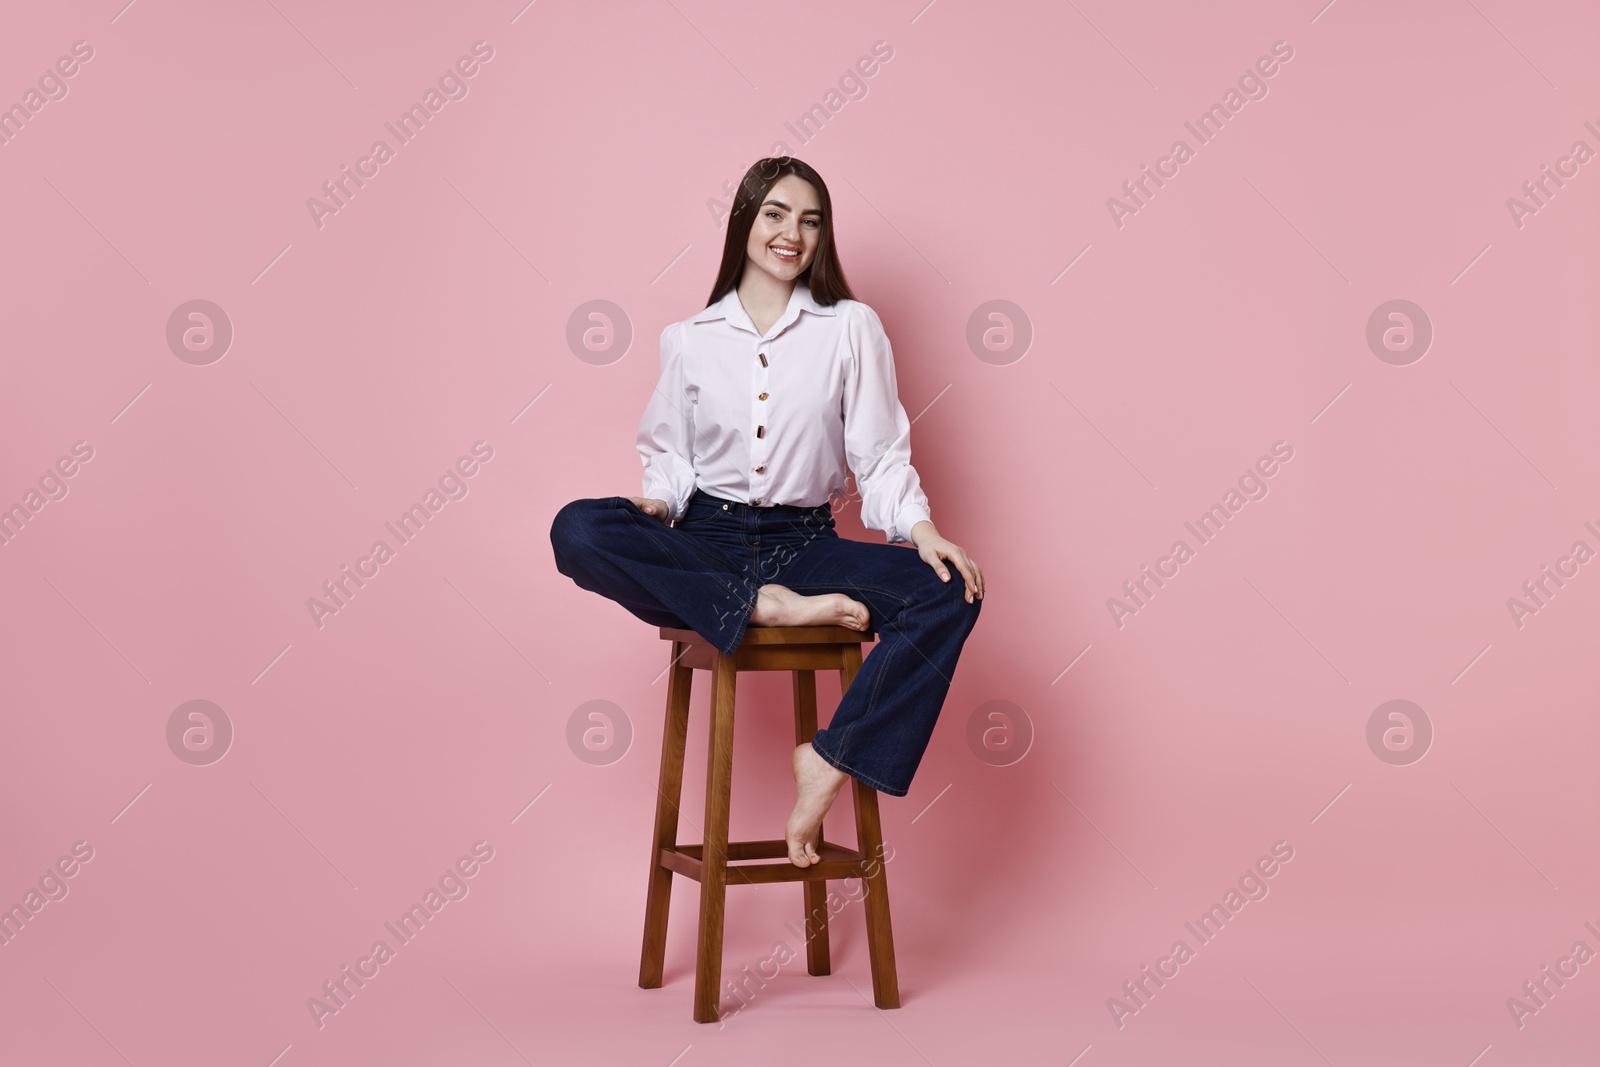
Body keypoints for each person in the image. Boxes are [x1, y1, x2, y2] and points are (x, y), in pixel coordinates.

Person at [550, 156, 983, 867]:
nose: (793, 233)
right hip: (706, 538)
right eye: (776, 213)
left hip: (806, 544)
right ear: (744, 219)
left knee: (950, 590)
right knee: (577, 526)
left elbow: (878, 454)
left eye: (810, 220)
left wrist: (924, 531)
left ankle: (832, 756)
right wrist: (653, 501)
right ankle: (760, 605)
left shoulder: (851, 328)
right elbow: (671, 458)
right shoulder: (688, 338)